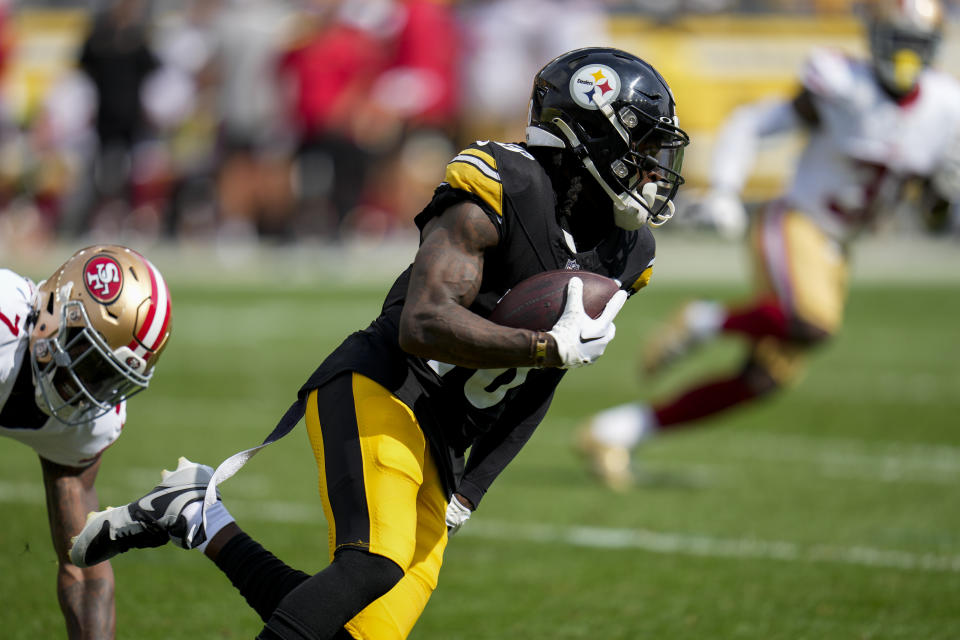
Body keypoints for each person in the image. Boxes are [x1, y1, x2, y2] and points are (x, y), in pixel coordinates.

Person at [69, 47, 690, 639]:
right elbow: (421, 322)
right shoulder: (506, 184)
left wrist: (472, 487)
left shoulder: (628, 253)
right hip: (384, 385)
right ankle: (194, 514)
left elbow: (542, 382)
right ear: (592, 133)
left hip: (447, 439)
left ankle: (196, 517)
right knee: (373, 564)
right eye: (642, 147)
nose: (653, 167)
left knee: (356, 633)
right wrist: (541, 345)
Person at [577, 0, 960, 490]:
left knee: (762, 379)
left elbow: (933, 216)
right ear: (877, 38)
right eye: (898, 40)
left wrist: (944, 197)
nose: (905, 55)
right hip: (797, 221)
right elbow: (751, 123)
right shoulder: (844, 84)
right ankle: (705, 320)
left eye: (916, 44)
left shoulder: (944, 108)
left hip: (838, 248)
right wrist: (725, 192)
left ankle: (615, 432)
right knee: (813, 321)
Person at [0, 245, 172, 639]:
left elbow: (84, 567)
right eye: (89, 361)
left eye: (108, 378)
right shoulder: (3, 328)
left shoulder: (93, 421)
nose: (88, 390)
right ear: (54, 311)